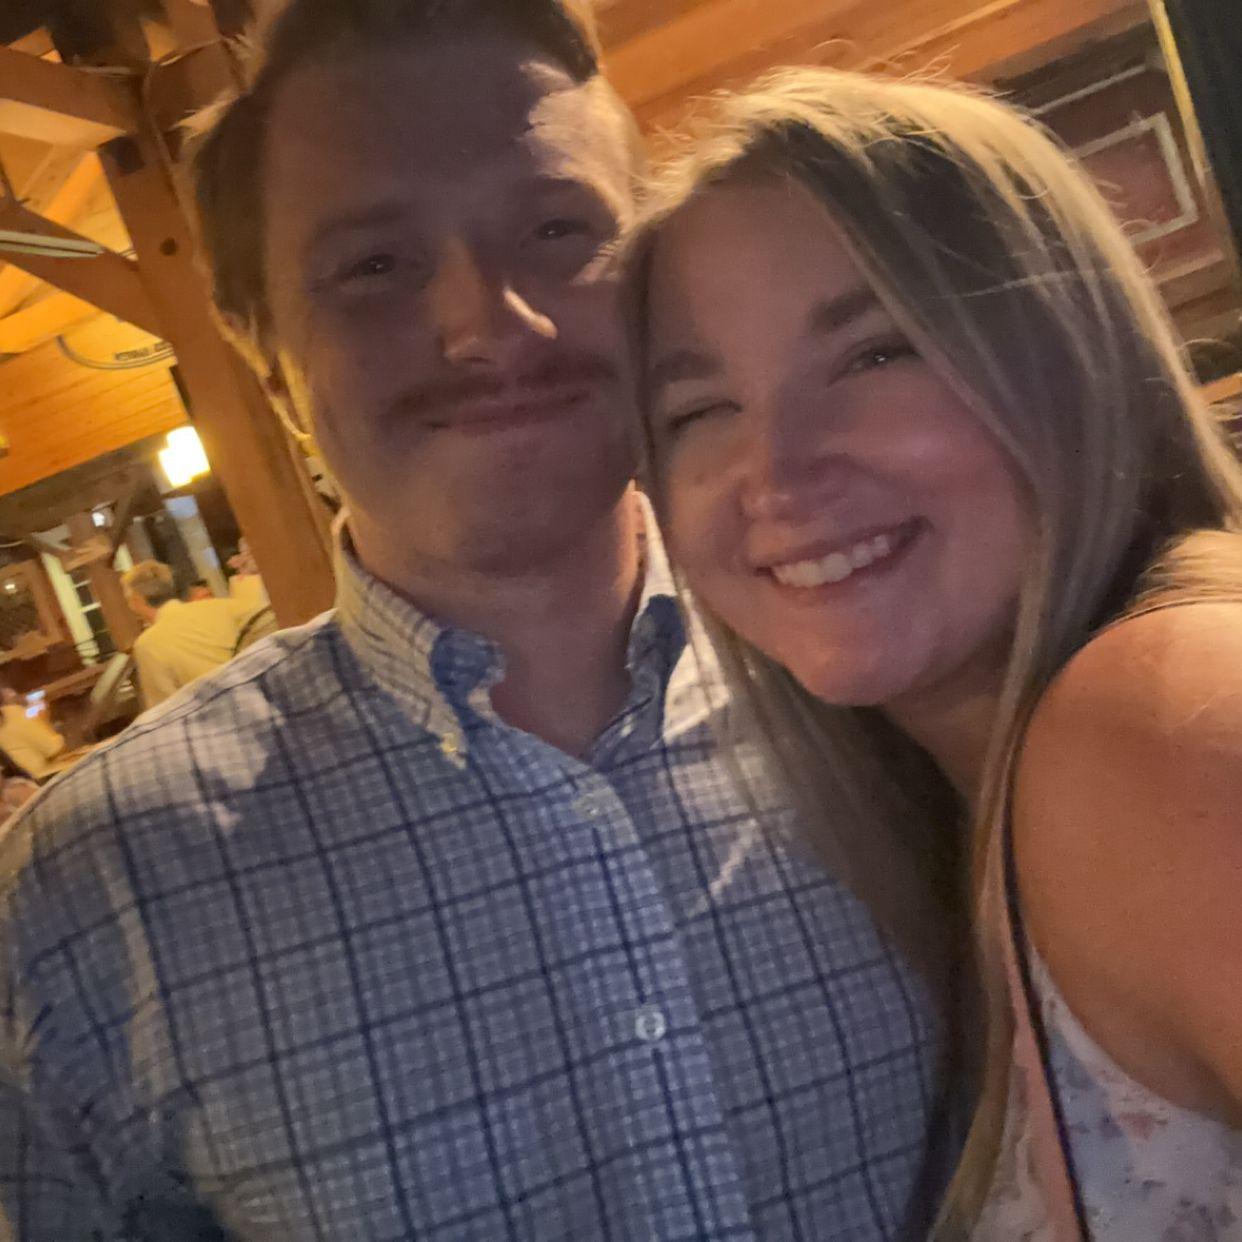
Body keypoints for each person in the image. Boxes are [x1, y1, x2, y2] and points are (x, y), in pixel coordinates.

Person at [0, 7, 947, 1241]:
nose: (492, 325)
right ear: (265, 355)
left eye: (557, 232)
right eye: (374, 266)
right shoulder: (95, 887)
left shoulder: (898, 679)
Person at [635, 67, 1242, 1241]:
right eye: (700, 410)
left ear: (1063, 350)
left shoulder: (1150, 727)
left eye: (875, 353)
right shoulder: (969, 817)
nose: (776, 472)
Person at [122, 559, 263, 708]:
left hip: (220, 713)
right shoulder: (227, 608)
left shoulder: (148, 644)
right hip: (262, 699)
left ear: (137, 600)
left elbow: (166, 709)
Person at [0, 685, 72, 781]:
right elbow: (56, 750)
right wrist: (44, 721)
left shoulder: (12, 714)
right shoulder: (11, 714)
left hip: (26, 783)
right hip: (48, 778)